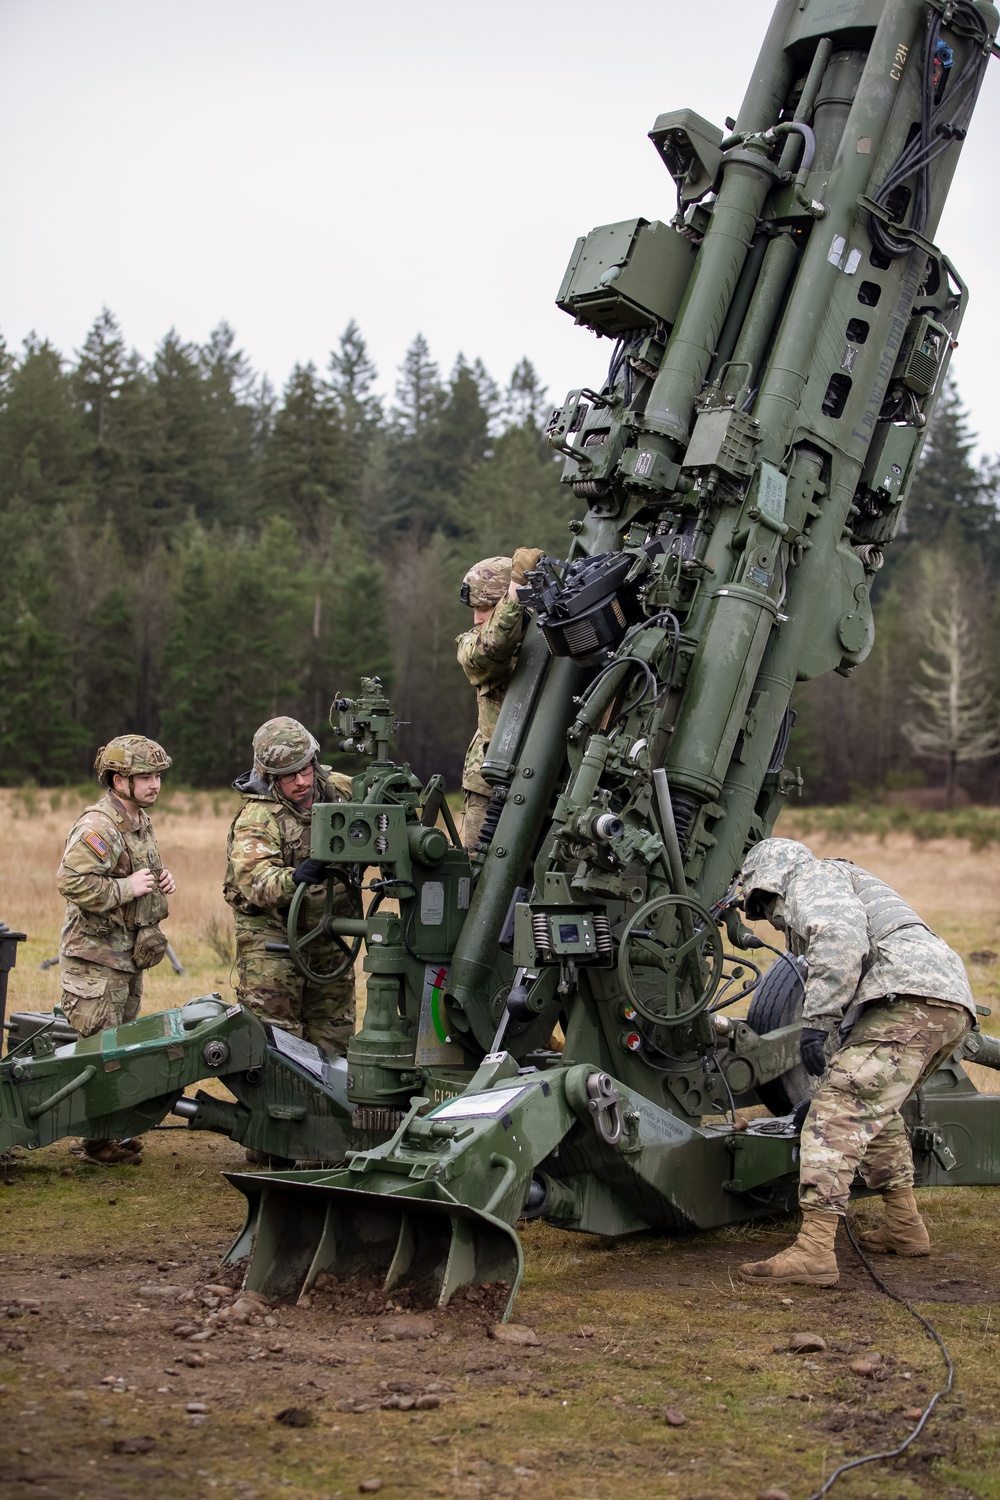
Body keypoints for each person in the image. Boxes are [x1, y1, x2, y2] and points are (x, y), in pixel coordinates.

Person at [737, 837, 975, 1287]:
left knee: (834, 1116)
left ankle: (813, 1251)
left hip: (909, 999)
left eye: (764, 905)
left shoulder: (810, 877)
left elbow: (841, 939)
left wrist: (817, 1019)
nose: (768, 918)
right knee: (874, 1113)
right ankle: (905, 1228)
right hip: (940, 1000)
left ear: (772, 880)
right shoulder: (844, 879)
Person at [57, 735, 176, 1166]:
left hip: (125, 958)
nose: (154, 784)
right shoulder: (98, 825)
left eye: (157, 775)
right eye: (144, 776)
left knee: (117, 1051)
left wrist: (161, 881)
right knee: (99, 1053)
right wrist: (127, 887)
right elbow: (71, 881)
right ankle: (96, 1143)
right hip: (96, 962)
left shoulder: (138, 822)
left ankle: (106, 1134)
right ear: (117, 780)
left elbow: (139, 872)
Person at [224, 716, 356, 1058]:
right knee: (277, 1042)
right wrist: (294, 878)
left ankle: (331, 1107)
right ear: (269, 778)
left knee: (334, 1032)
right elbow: (255, 880)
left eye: (305, 770)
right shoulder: (258, 817)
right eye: (288, 776)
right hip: (272, 933)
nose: (301, 782)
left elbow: (393, 815)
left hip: (330, 929)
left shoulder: (340, 791)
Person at [456, 547, 542, 851]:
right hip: (492, 785)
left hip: (550, 778)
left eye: (487, 607)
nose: (477, 618)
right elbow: (492, 647)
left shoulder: (547, 640)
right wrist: (516, 590)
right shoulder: (472, 646)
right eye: (474, 609)